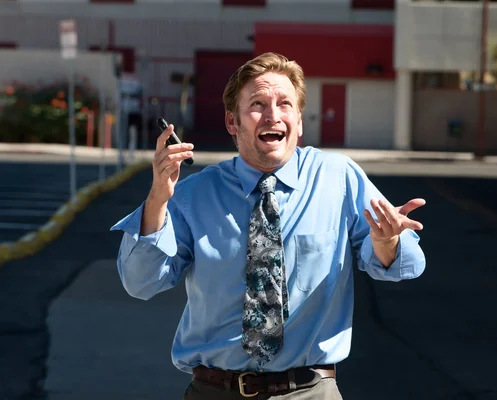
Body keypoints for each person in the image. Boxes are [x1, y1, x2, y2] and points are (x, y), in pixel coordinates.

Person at [110, 52, 426, 400]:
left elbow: (402, 265)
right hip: (214, 391)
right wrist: (157, 198)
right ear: (233, 122)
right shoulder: (193, 193)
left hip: (309, 392)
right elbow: (141, 282)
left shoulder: (338, 178)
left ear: (299, 121)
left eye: (285, 104)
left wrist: (386, 242)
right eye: (258, 104)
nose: (273, 115)